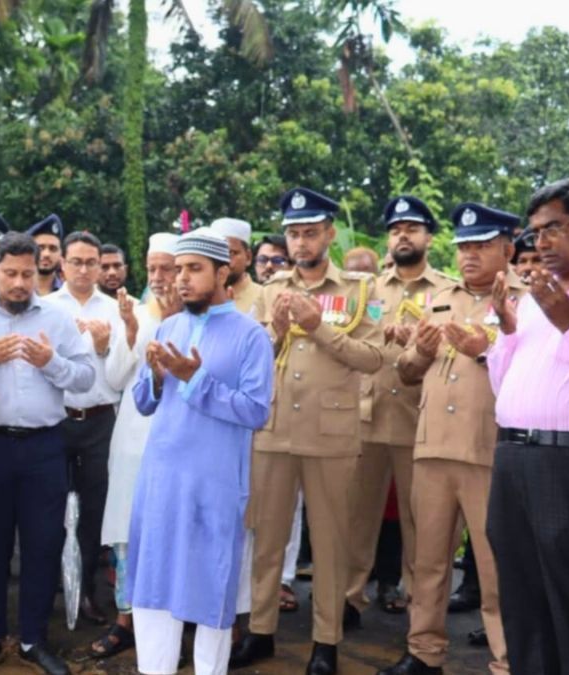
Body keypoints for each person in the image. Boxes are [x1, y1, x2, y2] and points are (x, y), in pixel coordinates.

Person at [232, 187, 384, 673]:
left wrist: (319, 326)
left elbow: (374, 358)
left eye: (310, 232)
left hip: (330, 435)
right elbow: (250, 364)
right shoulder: (270, 290)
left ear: (329, 235)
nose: (300, 242)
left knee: (330, 542)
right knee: (267, 539)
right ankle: (261, 632)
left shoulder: (362, 291)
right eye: (293, 233)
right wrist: (275, 332)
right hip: (274, 431)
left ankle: (326, 642)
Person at [376, 203, 523, 675]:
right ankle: (424, 652)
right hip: (433, 447)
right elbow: (408, 372)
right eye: (463, 247)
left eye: (481, 246)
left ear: (508, 248)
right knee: (429, 561)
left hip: (488, 451)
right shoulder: (439, 297)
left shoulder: (528, 300)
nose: (470, 256)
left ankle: (506, 660)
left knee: (496, 566)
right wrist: (417, 353)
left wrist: (487, 352)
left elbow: (536, 374)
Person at [127, 229, 274, 674]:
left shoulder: (251, 336)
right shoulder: (169, 326)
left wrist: (194, 378)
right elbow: (143, 401)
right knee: (153, 587)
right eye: (177, 270)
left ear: (223, 273)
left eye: (194, 269)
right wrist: (156, 376)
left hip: (214, 485)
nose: (181, 280)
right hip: (161, 481)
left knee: (211, 589)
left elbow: (255, 411)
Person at [0, 232, 95, 675]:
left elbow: (85, 379)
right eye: (10, 273)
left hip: (44, 446)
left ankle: (35, 640)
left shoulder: (56, 318)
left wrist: (50, 362)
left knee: (43, 543)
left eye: (28, 274)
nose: (19, 283)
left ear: (41, 272)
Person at [486, 178, 569, 674]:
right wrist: (509, 332)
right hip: (513, 457)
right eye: (536, 233)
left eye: (554, 228)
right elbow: (503, 386)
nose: (542, 244)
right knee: (522, 598)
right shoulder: (536, 296)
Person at [347, 196, 455, 627]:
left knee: (422, 526)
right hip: (367, 419)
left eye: (412, 228)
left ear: (429, 236)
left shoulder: (446, 291)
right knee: (355, 518)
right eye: (395, 230)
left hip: (418, 423)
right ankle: (348, 599)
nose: (402, 236)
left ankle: (420, 609)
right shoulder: (367, 289)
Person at [92, 232, 180, 660]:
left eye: (169, 267)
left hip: (180, 442)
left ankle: (173, 627)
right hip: (132, 436)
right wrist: (128, 332)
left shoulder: (204, 317)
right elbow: (114, 379)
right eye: (154, 268)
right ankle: (126, 621)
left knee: (172, 532)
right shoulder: (138, 314)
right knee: (127, 531)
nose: (160, 277)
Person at [45, 230, 124, 626]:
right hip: (55, 420)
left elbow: (122, 374)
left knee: (95, 510)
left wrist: (106, 346)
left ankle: (90, 593)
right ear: (62, 265)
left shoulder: (114, 309)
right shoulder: (44, 308)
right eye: (75, 262)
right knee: (49, 508)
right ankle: (51, 591)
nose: (83, 269)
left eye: (91, 262)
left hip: (99, 420)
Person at [209, 218, 259, 314]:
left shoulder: (263, 297)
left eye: (231, 253)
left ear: (248, 257)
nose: (223, 260)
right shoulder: (200, 296)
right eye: (216, 253)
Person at [28, 215, 64, 297]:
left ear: (60, 253)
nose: (46, 254)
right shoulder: (18, 290)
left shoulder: (68, 294)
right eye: (40, 248)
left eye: (53, 248)